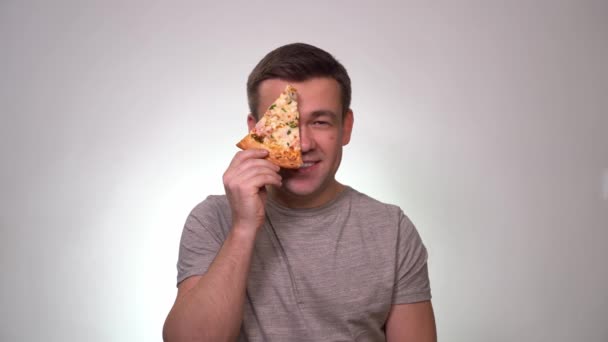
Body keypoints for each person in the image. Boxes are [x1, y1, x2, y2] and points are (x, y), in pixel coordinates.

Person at [163, 43, 436, 342]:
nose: (302, 144)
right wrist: (242, 228)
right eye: (285, 125)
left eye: (319, 121)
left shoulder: (391, 229)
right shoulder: (212, 219)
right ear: (256, 131)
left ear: (346, 127)